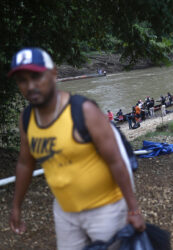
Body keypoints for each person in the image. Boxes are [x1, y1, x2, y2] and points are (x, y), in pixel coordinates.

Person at [8, 48, 145, 249]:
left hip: (106, 209)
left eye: (37, 77)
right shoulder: (27, 119)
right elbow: (25, 163)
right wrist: (16, 206)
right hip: (65, 212)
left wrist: (133, 210)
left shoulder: (83, 111)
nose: (30, 86)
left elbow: (117, 160)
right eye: (22, 80)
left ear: (53, 73)